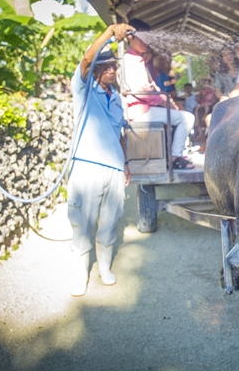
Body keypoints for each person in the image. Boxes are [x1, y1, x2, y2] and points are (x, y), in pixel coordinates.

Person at [68, 23, 133, 297]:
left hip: (114, 169)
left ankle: (104, 269)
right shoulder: (83, 88)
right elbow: (85, 58)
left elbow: (120, 133)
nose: (111, 69)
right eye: (104, 65)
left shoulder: (116, 97)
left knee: (109, 222)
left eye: (113, 66)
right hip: (87, 167)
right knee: (82, 224)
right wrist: (109, 32)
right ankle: (79, 275)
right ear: (95, 68)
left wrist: (126, 164)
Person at [123, 18, 195, 169]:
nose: (145, 43)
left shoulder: (138, 59)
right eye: (141, 39)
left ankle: (172, 155)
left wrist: (166, 100)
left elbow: (152, 86)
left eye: (147, 39)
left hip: (145, 109)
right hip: (140, 112)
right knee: (187, 118)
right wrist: (166, 102)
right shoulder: (130, 61)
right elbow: (144, 93)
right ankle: (175, 158)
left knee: (178, 114)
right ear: (130, 36)